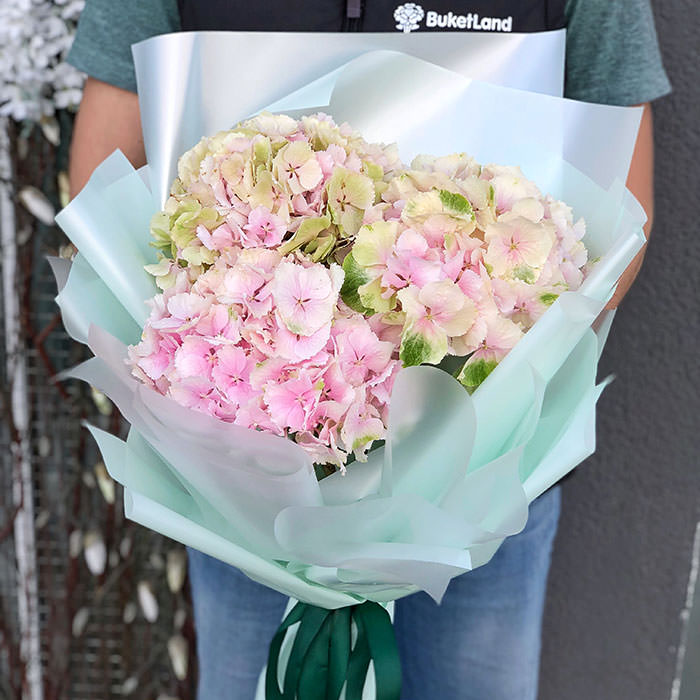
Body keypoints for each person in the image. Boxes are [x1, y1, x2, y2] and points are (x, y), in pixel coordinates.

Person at [66, 2, 670, 698]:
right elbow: (102, 183)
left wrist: (469, 361)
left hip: (485, 477)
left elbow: (621, 207)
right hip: (247, 480)